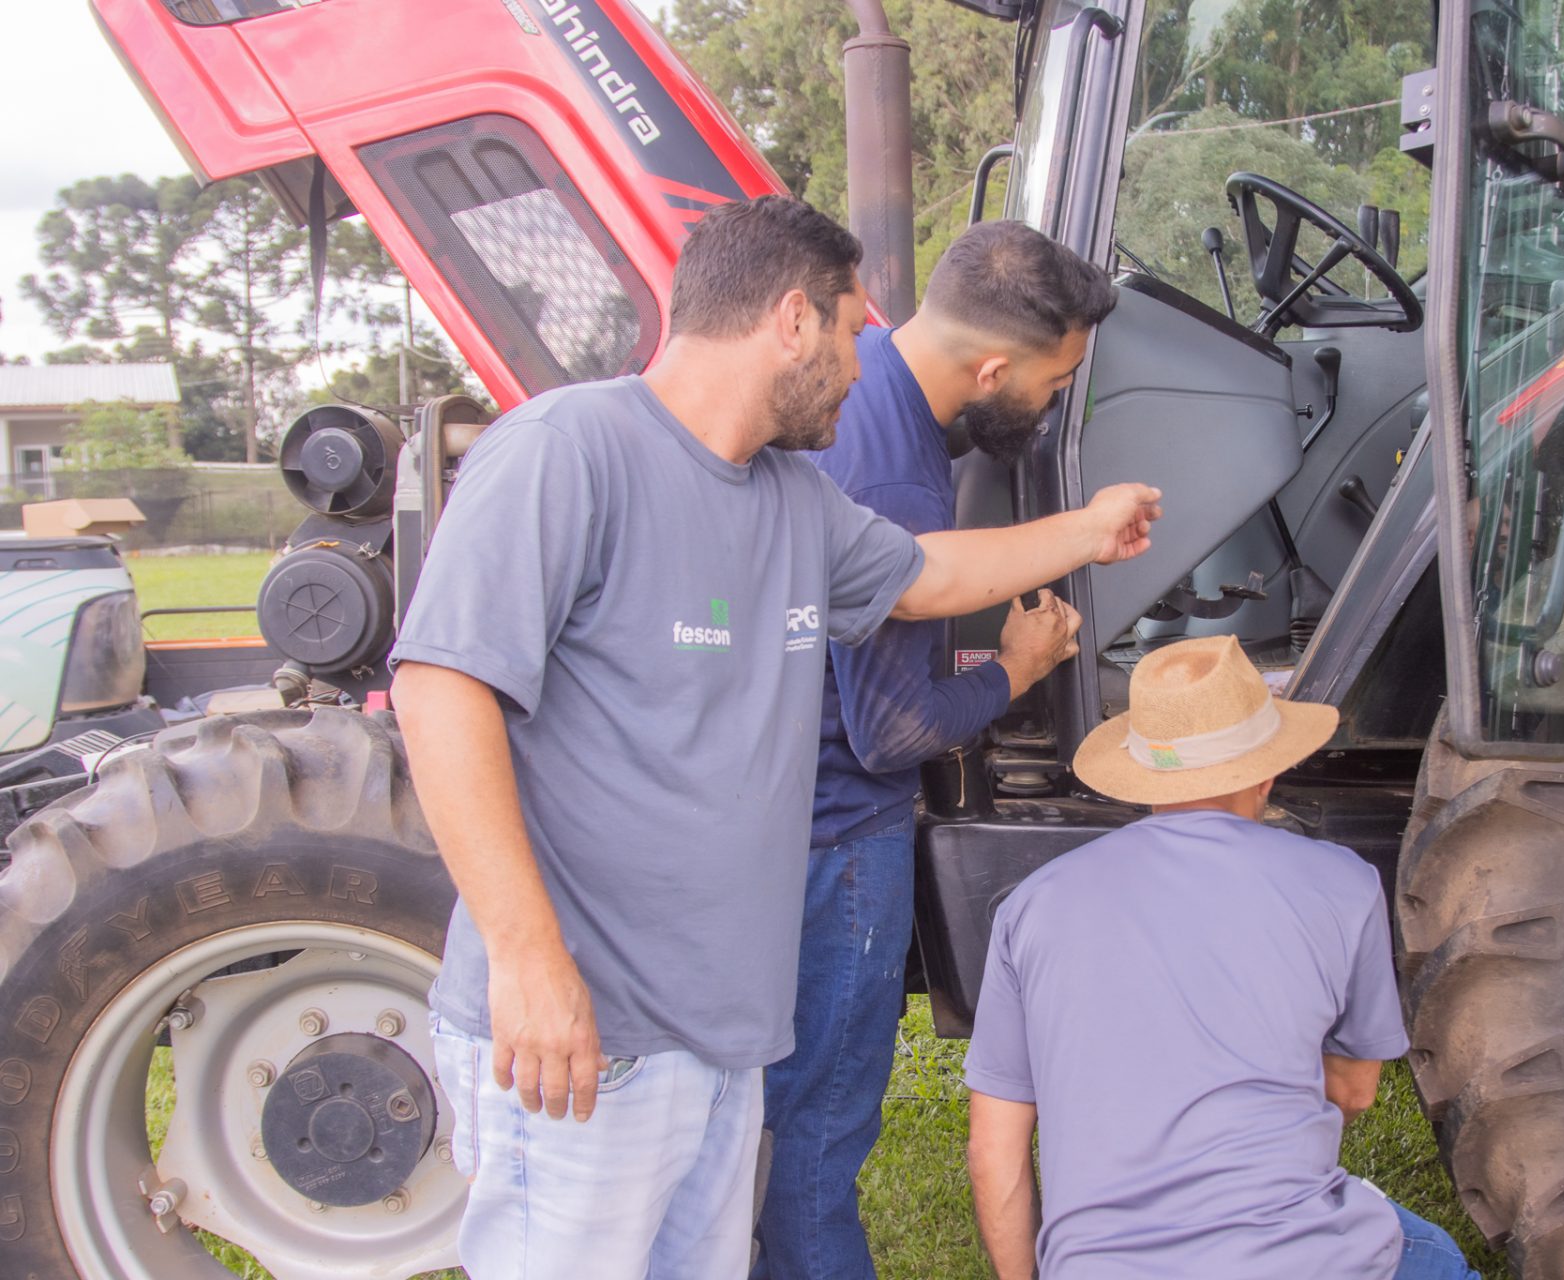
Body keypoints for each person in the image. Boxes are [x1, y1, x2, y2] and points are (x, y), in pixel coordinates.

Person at [389, 195, 1161, 1280]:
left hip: (724, 1039)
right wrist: (526, 960)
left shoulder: (795, 494)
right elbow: (442, 689)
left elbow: (931, 575)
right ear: (793, 321)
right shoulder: (570, 450)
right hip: (586, 1039)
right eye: (853, 333)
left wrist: (1089, 529)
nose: (865, 367)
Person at [755, 220, 1118, 1280]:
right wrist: (1019, 669)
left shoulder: (859, 395)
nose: (1052, 406)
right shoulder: (904, 477)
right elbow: (892, 730)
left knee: (774, 1123)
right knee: (818, 1140)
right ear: (994, 368)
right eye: (1056, 384)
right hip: (840, 842)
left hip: (788, 822)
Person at [964, 635, 1480, 1280]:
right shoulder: (1342, 883)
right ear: (1268, 767)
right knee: (1434, 1255)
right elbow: (1352, 1089)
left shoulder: (1034, 903)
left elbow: (993, 1146)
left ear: (1142, 774)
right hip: (1296, 1259)